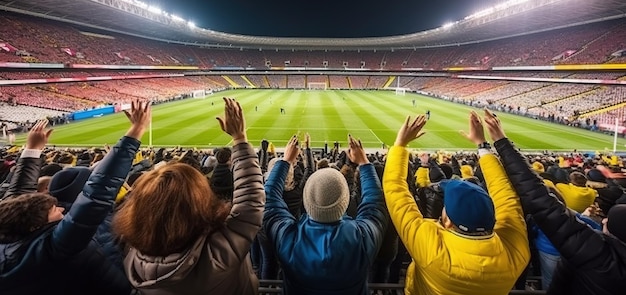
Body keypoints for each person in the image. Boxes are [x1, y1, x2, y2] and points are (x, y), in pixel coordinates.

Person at [114, 98, 265, 294]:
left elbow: (250, 202)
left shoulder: (131, 255)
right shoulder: (220, 250)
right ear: (197, 199)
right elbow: (251, 200)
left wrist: (134, 132)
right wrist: (239, 137)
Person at [0, 100, 150, 295]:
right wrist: (136, 131)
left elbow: (16, 200)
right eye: (53, 211)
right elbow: (96, 194)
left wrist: (32, 150)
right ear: (35, 225)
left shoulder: (11, 237)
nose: (62, 209)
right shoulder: (52, 249)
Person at [383, 112, 530, 295]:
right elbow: (507, 198)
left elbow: (395, 190)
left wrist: (399, 146)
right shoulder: (515, 253)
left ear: (448, 222)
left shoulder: (430, 247)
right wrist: (483, 147)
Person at [487, 108, 626, 294]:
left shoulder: (596, 253)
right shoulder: (592, 212)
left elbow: (540, 198)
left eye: (610, 221)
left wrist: (501, 142)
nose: (605, 220)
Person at [263, 135, 387, 294]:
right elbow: (374, 203)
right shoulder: (362, 238)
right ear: (345, 200)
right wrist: (364, 162)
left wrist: (285, 161)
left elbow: (269, 199)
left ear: (307, 201)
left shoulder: (289, 239)